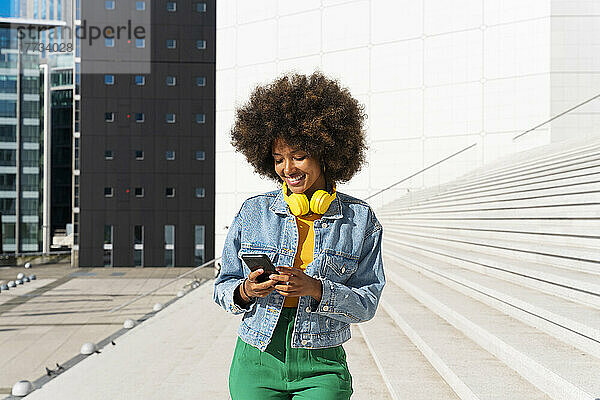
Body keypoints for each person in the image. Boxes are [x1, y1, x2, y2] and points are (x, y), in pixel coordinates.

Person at [213, 71, 385, 400]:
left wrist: (315, 288)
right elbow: (223, 288)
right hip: (256, 357)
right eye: (278, 159)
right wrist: (246, 290)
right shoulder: (254, 213)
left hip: (321, 362)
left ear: (326, 152)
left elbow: (367, 304)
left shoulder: (360, 220)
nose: (287, 169)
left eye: (299, 156)